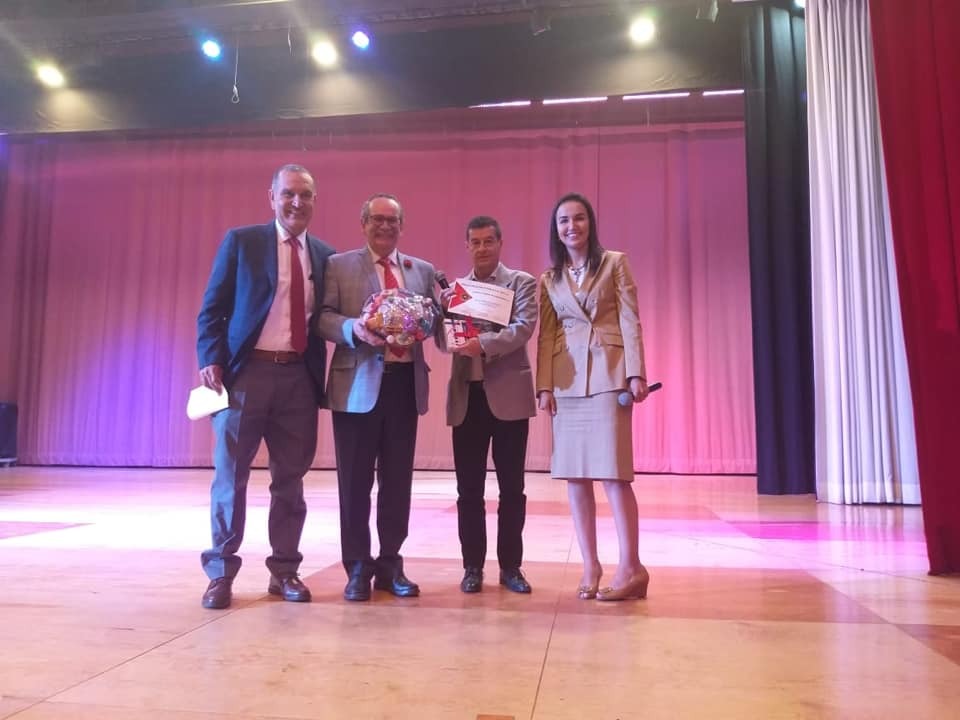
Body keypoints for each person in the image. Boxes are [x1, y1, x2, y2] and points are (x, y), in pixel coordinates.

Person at [196, 163, 335, 610]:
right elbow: (212, 309)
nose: (297, 202)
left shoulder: (325, 256)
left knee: (290, 480)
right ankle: (220, 572)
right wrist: (211, 358)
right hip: (245, 376)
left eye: (305, 195)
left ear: (315, 201)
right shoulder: (243, 242)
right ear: (271, 197)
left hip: (298, 379)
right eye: (289, 193)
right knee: (230, 477)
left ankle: (285, 570)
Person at [317, 193, 439, 601]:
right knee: (354, 483)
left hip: (404, 385)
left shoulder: (421, 270)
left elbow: (435, 320)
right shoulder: (338, 265)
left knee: (397, 482)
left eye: (393, 220)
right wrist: (353, 328)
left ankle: (390, 564)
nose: (385, 226)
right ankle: (357, 567)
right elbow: (323, 318)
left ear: (402, 226)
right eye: (377, 219)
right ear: (363, 223)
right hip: (355, 388)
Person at [535, 192, 651, 602]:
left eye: (579, 218)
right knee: (575, 476)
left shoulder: (615, 263)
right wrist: (544, 385)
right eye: (564, 220)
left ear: (591, 223)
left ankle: (632, 567)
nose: (572, 226)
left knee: (613, 474)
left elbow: (630, 318)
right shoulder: (549, 279)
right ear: (556, 229)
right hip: (567, 382)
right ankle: (591, 565)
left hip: (608, 375)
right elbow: (546, 334)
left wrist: (636, 372)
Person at [440, 216, 537, 594]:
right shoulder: (456, 291)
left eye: (488, 241)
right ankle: (472, 567)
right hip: (468, 398)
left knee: (512, 489)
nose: (482, 248)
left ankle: (511, 567)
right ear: (467, 246)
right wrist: (442, 314)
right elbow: (444, 341)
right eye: (475, 242)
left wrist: (482, 344)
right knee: (468, 491)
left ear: (500, 243)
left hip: (508, 397)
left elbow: (523, 328)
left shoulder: (520, 283)